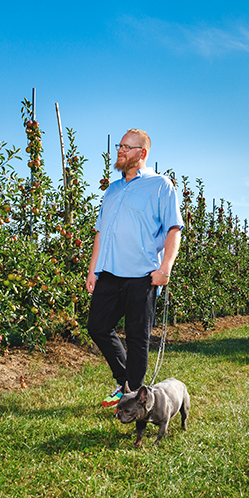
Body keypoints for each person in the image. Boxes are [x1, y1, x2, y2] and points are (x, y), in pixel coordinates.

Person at [85, 129, 184, 407]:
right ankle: (126, 382)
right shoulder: (112, 190)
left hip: (142, 275)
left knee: (138, 337)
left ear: (142, 153)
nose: (120, 150)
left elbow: (173, 229)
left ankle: (134, 398)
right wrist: (93, 269)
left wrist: (165, 267)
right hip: (109, 273)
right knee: (97, 326)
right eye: (119, 145)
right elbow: (100, 233)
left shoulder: (161, 186)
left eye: (126, 147)